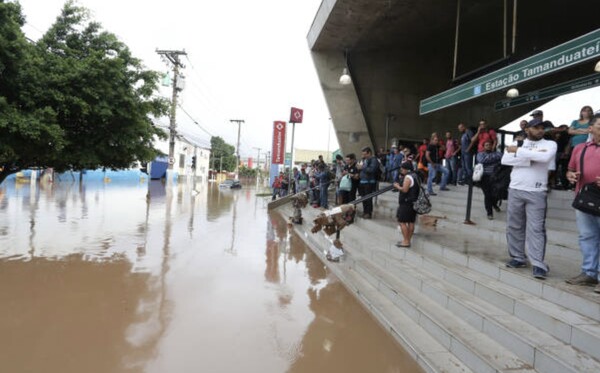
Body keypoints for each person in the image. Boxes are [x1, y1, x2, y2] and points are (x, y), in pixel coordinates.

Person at [501, 119, 557, 279]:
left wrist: (517, 151)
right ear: (527, 130)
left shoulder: (550, 144)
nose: (540, 130)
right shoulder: (518, 142)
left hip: (537, 190)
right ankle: (518, 257)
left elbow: (545, 158)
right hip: (515, 188)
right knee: (514, 225)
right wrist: (531, 158)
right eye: (536, 127)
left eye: (542, 128)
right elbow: (505, 160)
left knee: (536, 229)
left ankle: (538, 264)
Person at [565, 113, 600, 292]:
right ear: (591, 128)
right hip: (584, 198)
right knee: (587, 236)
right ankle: (589, 273)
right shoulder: (579, 148)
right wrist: (570, 175)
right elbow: (570, 170)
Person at [393, 162, 419, 248]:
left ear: (406, 169)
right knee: (411, 222)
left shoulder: (408, 177)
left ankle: (406, 241)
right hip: (413, 202)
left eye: (402, 169)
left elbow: (404, 190)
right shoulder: (416, 176)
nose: (401, 170)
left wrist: (397, 186)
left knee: (402, 222)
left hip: (406, 202)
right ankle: (407, 240)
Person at [476, 140, 502, 220]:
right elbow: (482, 160)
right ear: (483, 147)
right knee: (487, 195)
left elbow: (501, 157)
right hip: (485, 177)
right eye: (486, 145)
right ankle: (489, 213)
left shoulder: (497, 153)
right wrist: (494, 159)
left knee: (496, 194)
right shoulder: (480, 154)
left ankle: (494, 204)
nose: (488, 146)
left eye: (489, 145)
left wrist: (488, 159)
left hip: (495, 177)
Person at [358, 146, 378, 219]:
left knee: (368, 198)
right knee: (363, 198)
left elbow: (372, 170)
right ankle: (365, 212)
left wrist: (362, 167)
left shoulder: (374, 160)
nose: (363, 156)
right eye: (363, 154)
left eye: (365, 154)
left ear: (369, 153)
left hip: (369, 182)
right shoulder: (365, 160)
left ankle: (368, 213)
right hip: (362, 181)